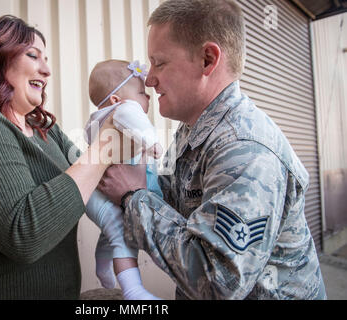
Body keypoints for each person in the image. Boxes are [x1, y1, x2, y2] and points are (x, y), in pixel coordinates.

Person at [98, 0, 327, 300]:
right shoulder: (194, 129)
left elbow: (217, 281)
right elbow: (170, 203)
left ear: (207, 59)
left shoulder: (245, 149)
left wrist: (132, 197)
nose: (149, 79)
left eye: (160, 63)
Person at [0, 15, 115, 299]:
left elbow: (97, 180)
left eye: (46, 59)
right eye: (33, 55)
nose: (46, 70)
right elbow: (24, 236)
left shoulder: (47, 130)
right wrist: (106, 145)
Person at [84, 59, 162, 300]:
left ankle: (102, 266)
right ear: (116, 100)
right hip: (104, 194)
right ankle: (133, 291)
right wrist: (152, 142)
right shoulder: (122, 111)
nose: (147, 97)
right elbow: (131, 114)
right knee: (121, 233)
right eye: (141, 92)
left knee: (112, 233)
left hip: (97, 196)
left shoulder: (99, 120)